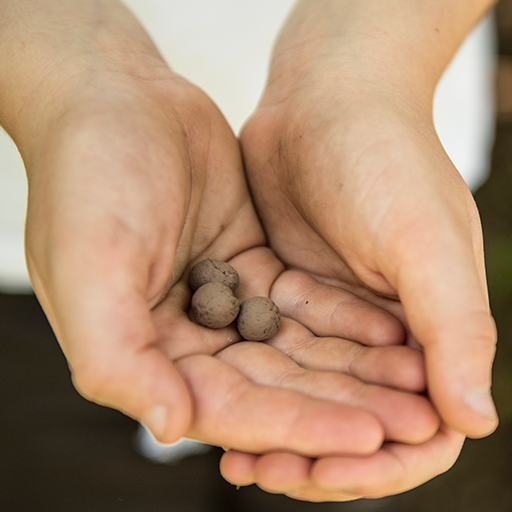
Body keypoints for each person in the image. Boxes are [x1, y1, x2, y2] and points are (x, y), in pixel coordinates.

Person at [0, 0, 498, 502]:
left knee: (338, 458)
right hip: (56, 249)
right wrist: (67, 79)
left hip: (365, 214)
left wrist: (365, 64)